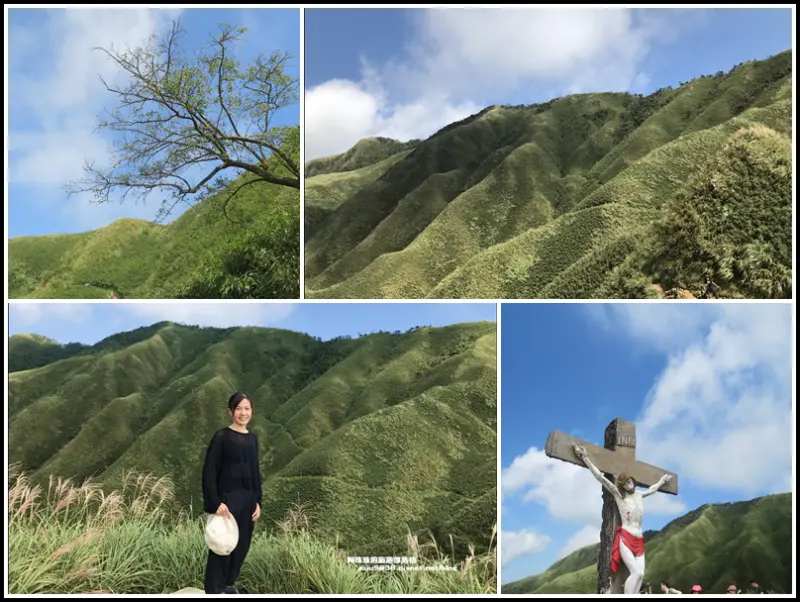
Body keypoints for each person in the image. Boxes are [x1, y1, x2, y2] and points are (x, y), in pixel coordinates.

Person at [573, 444, 672, 595]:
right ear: (622, 486)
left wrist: (662, 481)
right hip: (626, 538)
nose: (628, 484)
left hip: (639, 540)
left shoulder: (639, 494)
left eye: (630, 481)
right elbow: (600, 477)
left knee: (641, 574)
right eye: (625, 483)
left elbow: (652, 489)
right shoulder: (620, 496)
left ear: (633, 480)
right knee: (636, 573)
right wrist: (585, 458)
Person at [202, 392, 263, 594]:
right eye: (239, 409)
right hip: (227, 501)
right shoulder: (222, 437)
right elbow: (209, 471)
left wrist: (258, 502)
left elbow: (255, 472)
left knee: (241, 546)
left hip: (247, 502)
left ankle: (227, 585)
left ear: (251, 412)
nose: (243, 413)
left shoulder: (252, 439)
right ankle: (214, 588)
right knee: (222, 544)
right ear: (231, 412)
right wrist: (215, 502)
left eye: (247, 408)